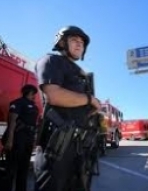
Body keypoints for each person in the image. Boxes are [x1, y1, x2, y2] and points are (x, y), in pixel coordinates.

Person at [35, 25, 101, 191]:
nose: (80, 44)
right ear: (62, 43)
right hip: (57, 145)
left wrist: (93, 108)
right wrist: (89, 99)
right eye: (74, 40)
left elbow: (83, 105)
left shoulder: (81, 73)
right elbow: (54, 96)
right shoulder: (52, 61)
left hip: (80, 146)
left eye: (82, 42)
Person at [2, 84, 39, 191]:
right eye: (33, 93)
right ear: (28, 92)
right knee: (11, 168)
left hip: (28, 138)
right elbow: (12, 121)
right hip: (18, 138)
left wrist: (33, 141)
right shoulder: (17, 103)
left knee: (24, 168)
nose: (34, 96)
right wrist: (10, 140)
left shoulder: (34, 106)